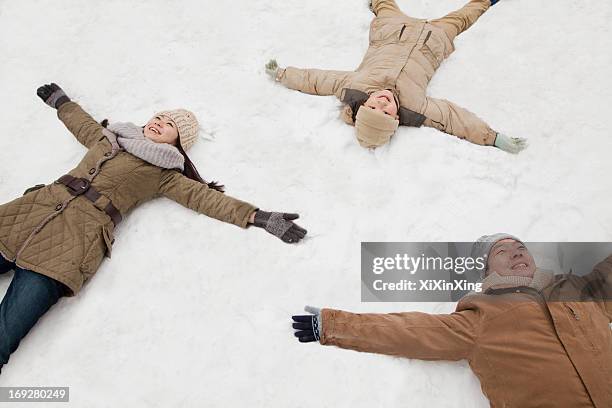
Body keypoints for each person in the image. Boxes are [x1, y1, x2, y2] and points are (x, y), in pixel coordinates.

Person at [0, 83, 307, 373]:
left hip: (70, 248)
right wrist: (62, 102)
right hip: (26, 216)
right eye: (158, 116)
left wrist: (258, 216)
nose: (159, 122)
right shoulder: (109, 136)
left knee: (5, 332)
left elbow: (203, 197)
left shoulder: (164, 173)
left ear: (177, 142)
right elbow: (83, 124)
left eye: (169, 125)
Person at [292, 234, 612, 407]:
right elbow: (409, 331)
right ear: (488, 270)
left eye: (520, 248)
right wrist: (334, 325)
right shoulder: (482, 317)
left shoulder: (580, 288)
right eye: (502, 251)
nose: (516, 252)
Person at [266, 0, 527, 153]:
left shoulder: (352, 87)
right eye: (386, 111)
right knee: (463, 18)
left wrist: (282, 74)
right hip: (432, 39)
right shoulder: (416, 108)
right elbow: (453, 119)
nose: (382, 101)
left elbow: (316, 80)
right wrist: (493, 138)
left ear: (362, 105)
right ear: (396, 118)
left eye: (373, 106)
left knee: (384, 3)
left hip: (391, 31)